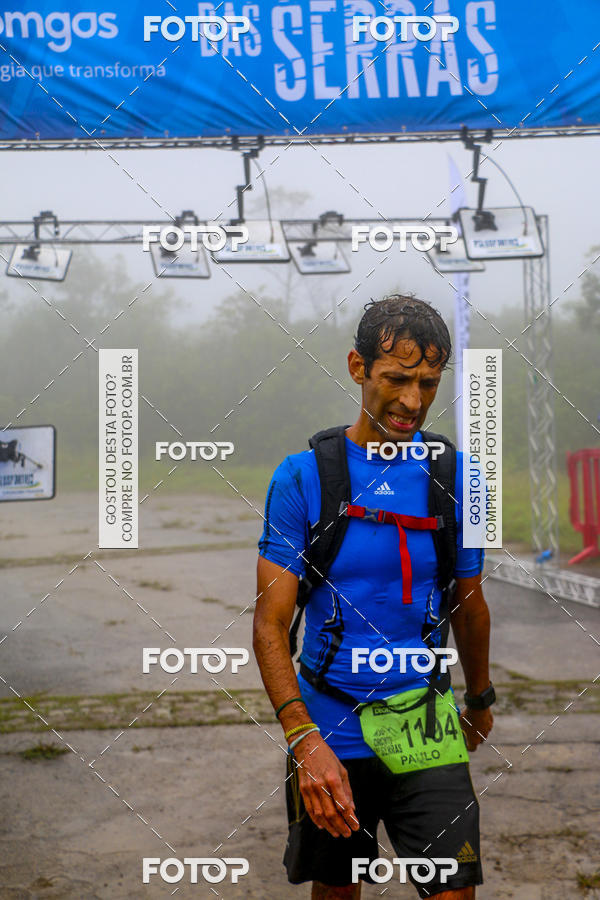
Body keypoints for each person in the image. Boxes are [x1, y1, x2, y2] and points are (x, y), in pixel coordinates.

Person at [253, 295, 494, 899]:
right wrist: (303, 739)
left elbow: (470, 604)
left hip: (426, 721)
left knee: (455, 890)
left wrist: (480, 698)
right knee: (338, 890)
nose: (413, 401)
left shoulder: (462, 478)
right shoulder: (302, 477)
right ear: (358, 367)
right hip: (329, 724)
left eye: (428, 383)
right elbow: (270, 622)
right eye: (397, 379)